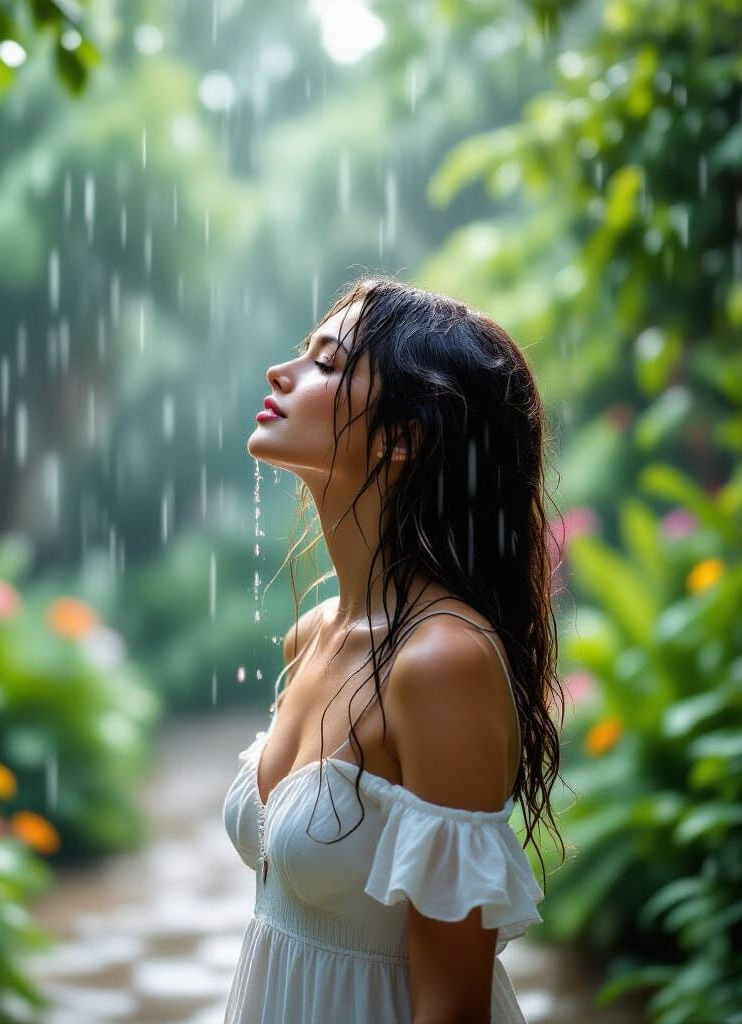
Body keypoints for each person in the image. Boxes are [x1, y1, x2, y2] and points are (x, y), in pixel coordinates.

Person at [222, 275, 567, 1023]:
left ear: (404, 435)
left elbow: (451, 1006)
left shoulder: (443, 662)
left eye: (327, 363)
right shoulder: (313, 635)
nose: (282, 374)